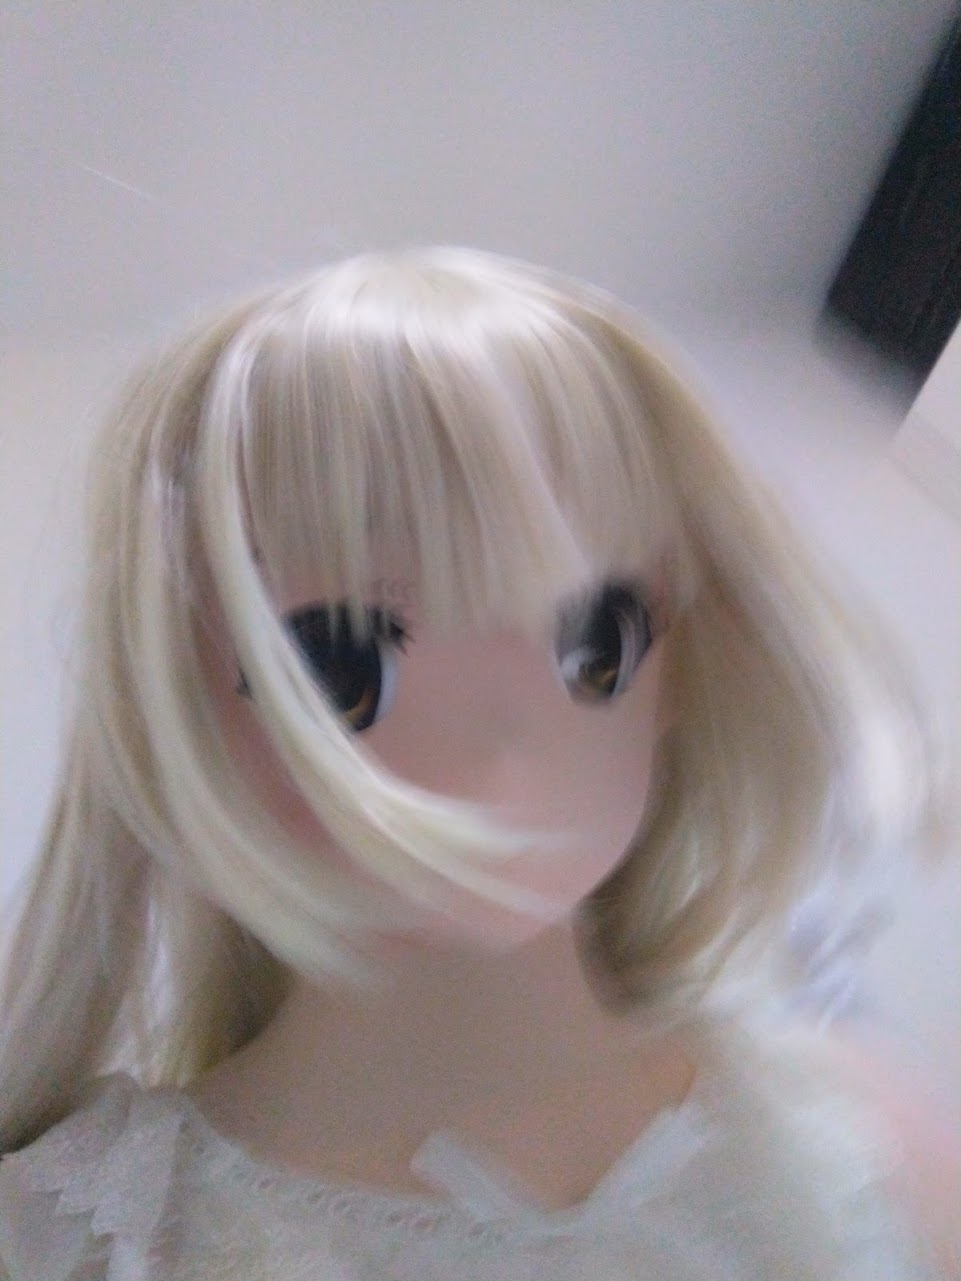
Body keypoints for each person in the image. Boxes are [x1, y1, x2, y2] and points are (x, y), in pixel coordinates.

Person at [0, 247, 957, 1279]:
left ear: (678, 666)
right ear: (180, 710)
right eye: (338, 666)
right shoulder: (82, 1235)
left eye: (594, 643)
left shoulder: (861, 1155)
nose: (503, 741)